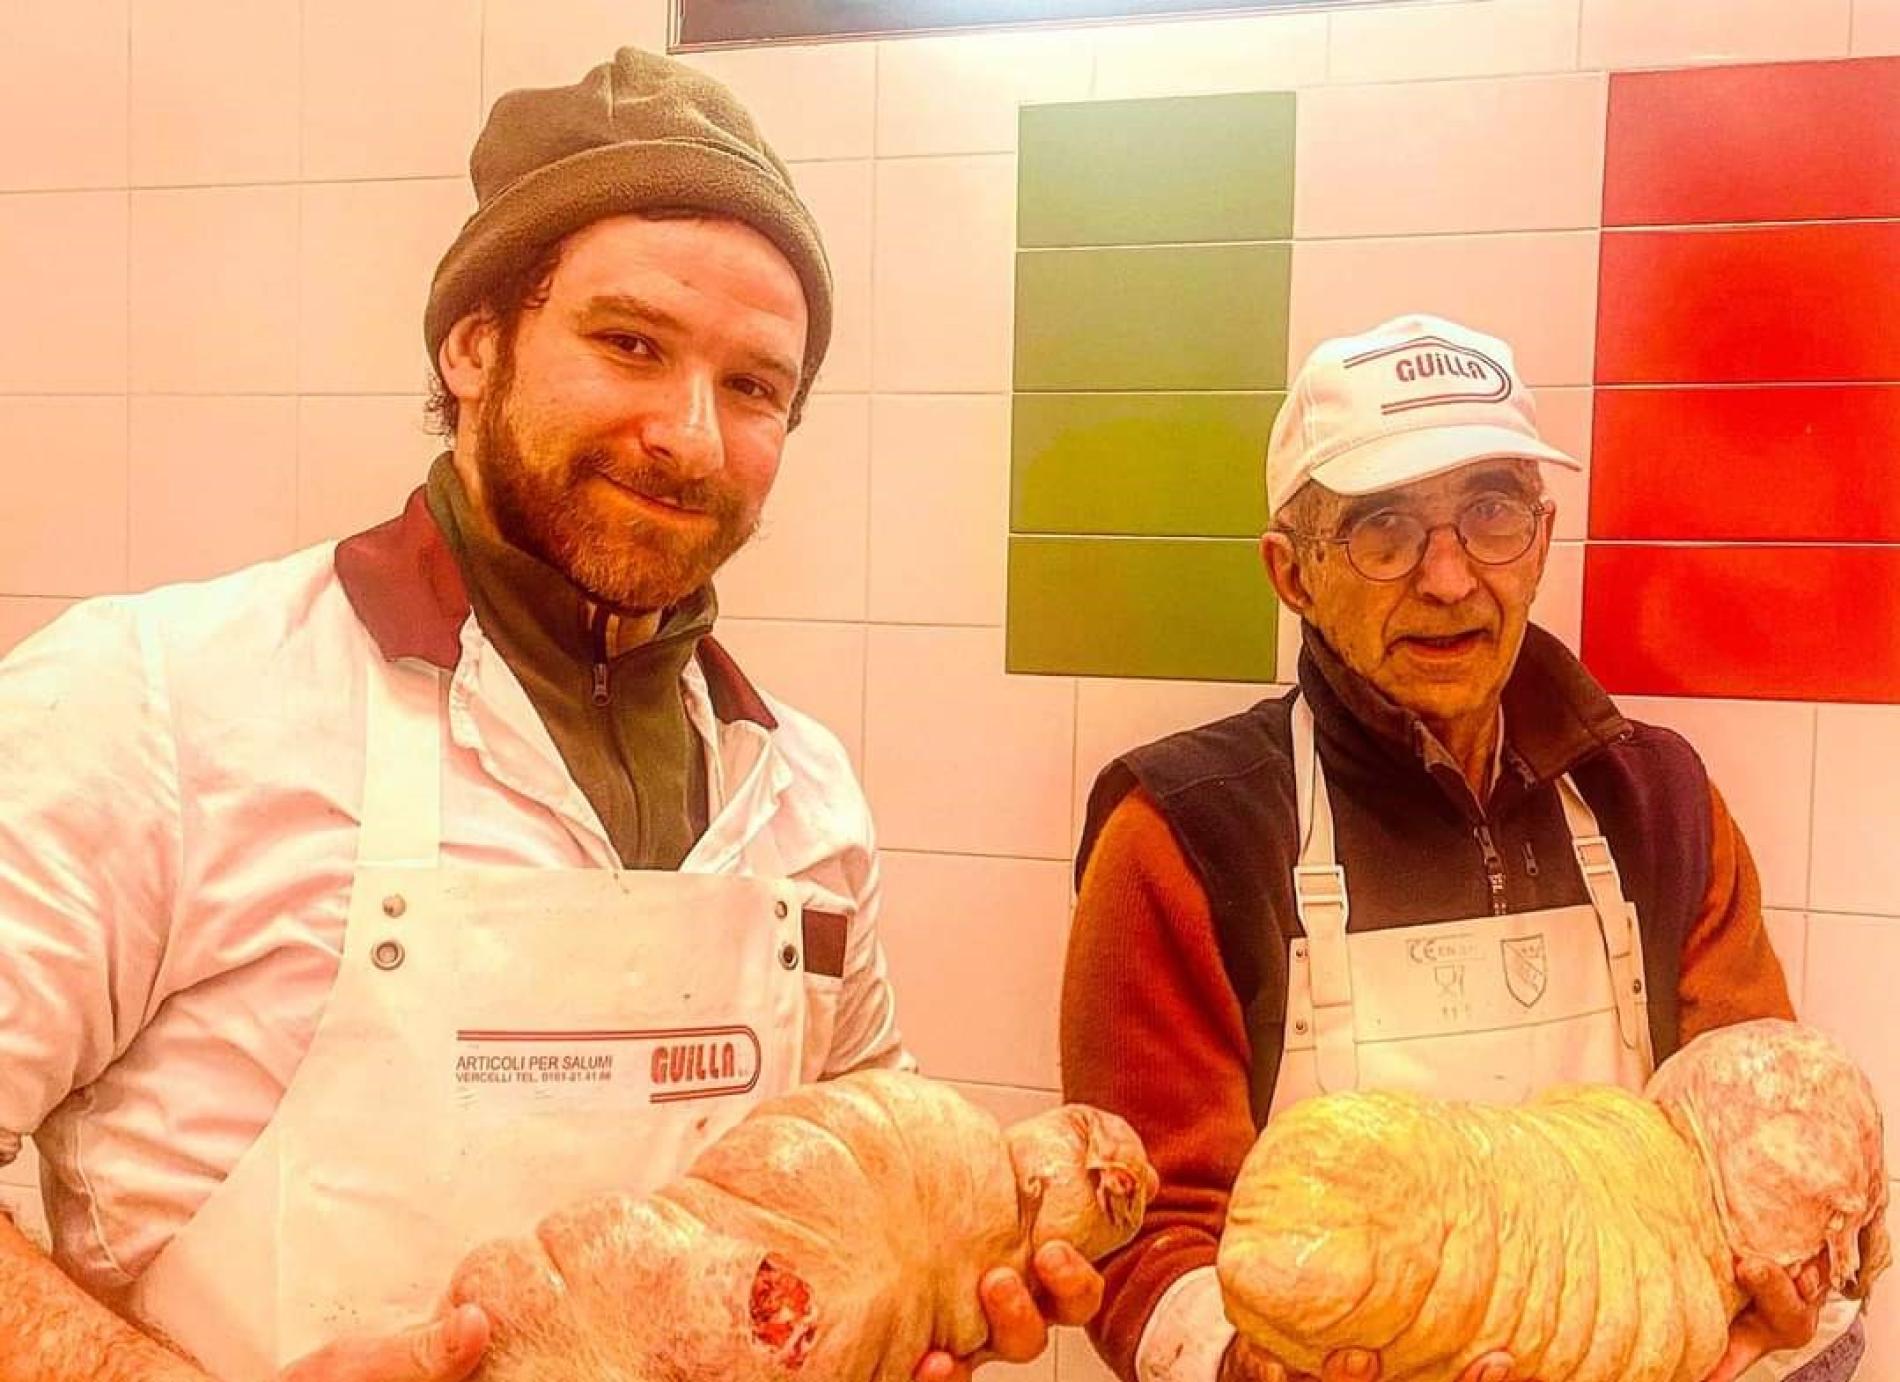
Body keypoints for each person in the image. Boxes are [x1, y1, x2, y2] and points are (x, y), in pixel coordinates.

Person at [0, 48, 1095, 1382]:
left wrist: (917, 1289)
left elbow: (847, 1197)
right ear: (472, 343)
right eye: (630, 343)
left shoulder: (801, 797)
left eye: (754, 387)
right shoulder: (158, 702)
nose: (688, 436)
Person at [1060, 315, 1862, 1382]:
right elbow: (1144, 1231)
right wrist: (1249, 1367)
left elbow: (1760, 1151)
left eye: (1489, 513)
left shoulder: (1657, 803)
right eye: (1383, 529)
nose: (1447, 578)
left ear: (1540, 535)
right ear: (1290, 572)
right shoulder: (1184, 833)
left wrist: (1769, 1320)